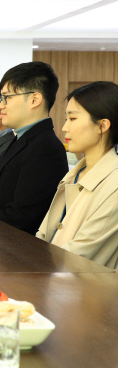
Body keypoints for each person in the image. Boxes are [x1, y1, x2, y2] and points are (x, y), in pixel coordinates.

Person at [37, 81, 118, 268]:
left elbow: (78, 255)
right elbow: (43, 234)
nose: (65, 127)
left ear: (102, 125)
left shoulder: (114, 184)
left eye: (72, 119)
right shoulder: (75, 173)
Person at [0, 61, 68, 235]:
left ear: (34, 99)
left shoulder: (46, 148)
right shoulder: (21, 138)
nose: (0, 106)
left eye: (7, 98)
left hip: (14, 249)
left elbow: (22, 215)